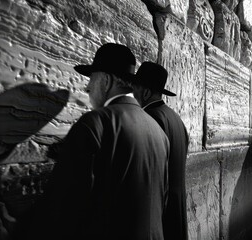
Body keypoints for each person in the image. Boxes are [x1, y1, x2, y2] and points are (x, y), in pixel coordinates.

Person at [18, 43, 170, 240]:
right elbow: (161, 200)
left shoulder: (96, 123)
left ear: (106, 81)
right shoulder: (159, 132)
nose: (88, 87)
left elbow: (65, 206)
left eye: (92, 78)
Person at [133, 61, 189, 240]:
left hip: (161, 209)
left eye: (135, 87)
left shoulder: (151, 117)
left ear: (146, 92)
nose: (132, 93)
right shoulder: (175, 118)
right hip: (177, 204)